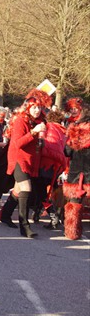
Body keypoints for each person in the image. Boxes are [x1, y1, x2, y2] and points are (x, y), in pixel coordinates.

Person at [6, 90, 48, 238]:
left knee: (18, 190)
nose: (37, 110)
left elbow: (37, 146)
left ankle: (5, 215)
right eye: (34, 107)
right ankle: (24, 226)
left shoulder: (40, 122)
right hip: (18, 158)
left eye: (39, 107)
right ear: (28, 107)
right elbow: (17, 143)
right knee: (26, 188)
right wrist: (34, 132)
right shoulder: (21, 120)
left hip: (30, 160)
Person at [62, 99, 89, 240]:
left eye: (75, 108)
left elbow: (67, 151)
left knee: (74, 203)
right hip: (82, 170)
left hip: (78, 170)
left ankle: (72, 231)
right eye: (71, 109)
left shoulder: (75, 128)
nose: (73, 111)